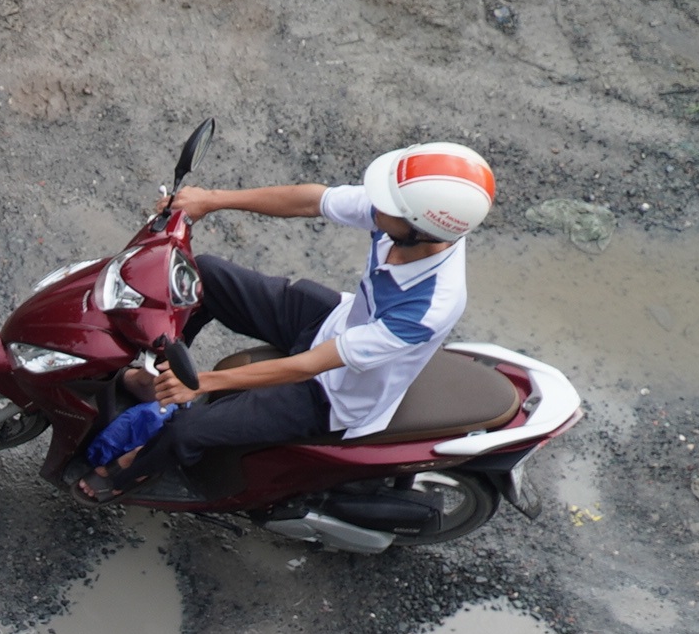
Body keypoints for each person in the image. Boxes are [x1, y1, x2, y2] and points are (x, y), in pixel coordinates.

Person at [99, 144, 496, 496]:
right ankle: (157, 378)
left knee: (188, 431)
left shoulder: (430, 306)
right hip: (333, 321)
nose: (374, 207)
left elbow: (310, 366)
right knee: (204, 275)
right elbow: (311, 201)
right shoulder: (398, 218)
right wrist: (211, 200)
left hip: (333, 390)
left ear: (420, 230)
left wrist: (200, 382)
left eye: (386, 208)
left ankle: (135, 470)